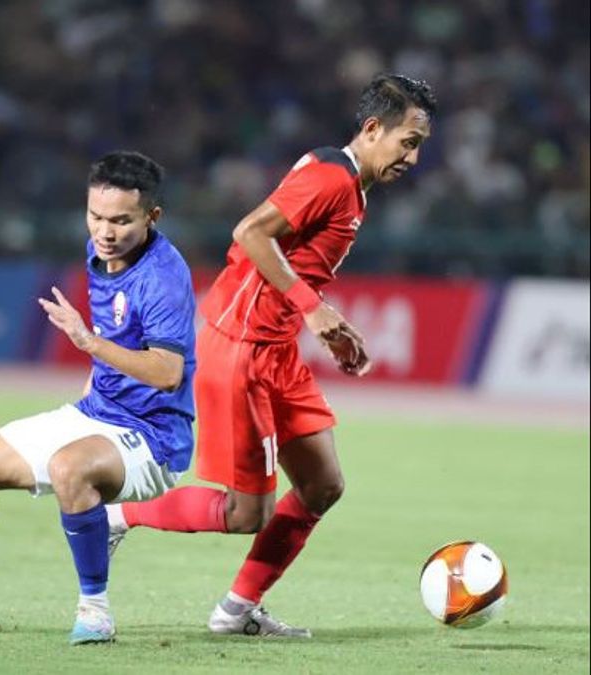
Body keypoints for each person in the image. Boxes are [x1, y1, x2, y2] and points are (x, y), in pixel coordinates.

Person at [106, 74, 436, 637]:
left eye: (420, 146)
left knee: (322, 485)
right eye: (407, 140)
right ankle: (114, 515)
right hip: (241, 349)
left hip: (276, 350)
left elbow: (292, 258)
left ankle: (236, 611)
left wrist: (325, 323)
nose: (413, 156)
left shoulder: (345, 180)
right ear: (373, 128)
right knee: (245, 514)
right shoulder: (333, 179)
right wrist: (312, 308)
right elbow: (251, 234)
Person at [0, 151, 196, 645]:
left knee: (68, 468)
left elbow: (167, 373)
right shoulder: (98, 250)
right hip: (95, 412)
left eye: (121, 220)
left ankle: (95, 610)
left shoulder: (161, 278)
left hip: (154, 438)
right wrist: (90, 387)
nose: (105, 230)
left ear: (152, 217)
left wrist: (90, 344)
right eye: (96, 216)